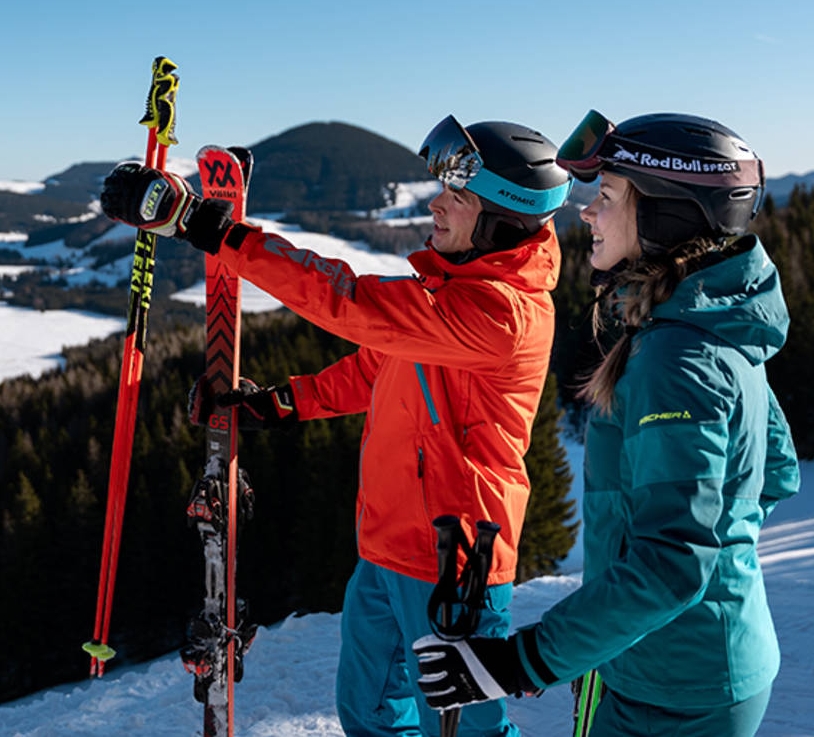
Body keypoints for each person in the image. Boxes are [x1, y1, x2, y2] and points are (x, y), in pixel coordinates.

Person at [100, 115, 571, 737]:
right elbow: (377, 368)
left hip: (454, 564)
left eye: (456, 197)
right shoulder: (452, 288)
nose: (436, 204)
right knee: (368, 713)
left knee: (466, 731)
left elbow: (347, 302)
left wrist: (206, 227)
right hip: (384, 545)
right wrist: (284, 403)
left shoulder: (500, 316)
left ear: (501, 220)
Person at [412, 111, 801, 737]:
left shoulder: (678, 360)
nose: (588, 213)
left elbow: (673, 561)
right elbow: (774, 473)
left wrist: (516, 663)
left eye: (609, 197)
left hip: (673, 688)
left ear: (666, 216)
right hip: (670, 663)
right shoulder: (710, 328)